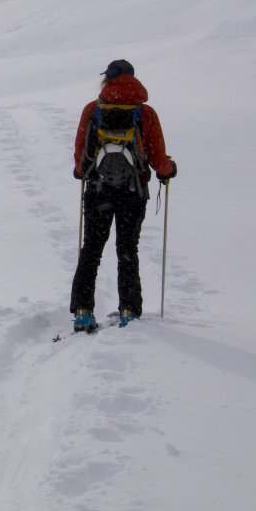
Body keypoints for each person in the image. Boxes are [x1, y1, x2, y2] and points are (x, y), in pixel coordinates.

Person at [70, 59, 177, 331]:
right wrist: (168, 170)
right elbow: (156, 153)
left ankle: (83, 311)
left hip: (98, 188)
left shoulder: (93, 110)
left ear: (108, 79)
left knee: (92, 248)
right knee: (127, 249)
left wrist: (81, 171)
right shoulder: (145, 113)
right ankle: (129, 310)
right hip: (133, 191)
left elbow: (81, 149)